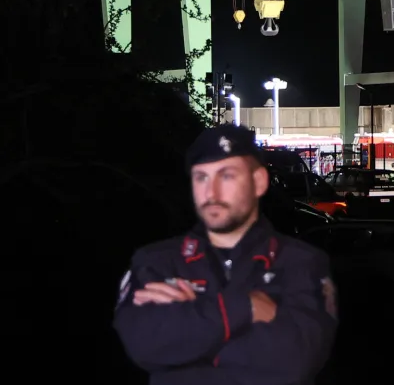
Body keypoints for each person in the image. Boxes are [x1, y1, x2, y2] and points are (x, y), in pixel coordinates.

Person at [113, 124, 338, 385]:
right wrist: (247, 307)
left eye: (227, 175)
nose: (212, 192)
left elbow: (297, 361)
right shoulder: (155, 262)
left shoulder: (302, 263)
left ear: (259, 181)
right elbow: (144, 346)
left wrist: (191, 319)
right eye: (201, 177)